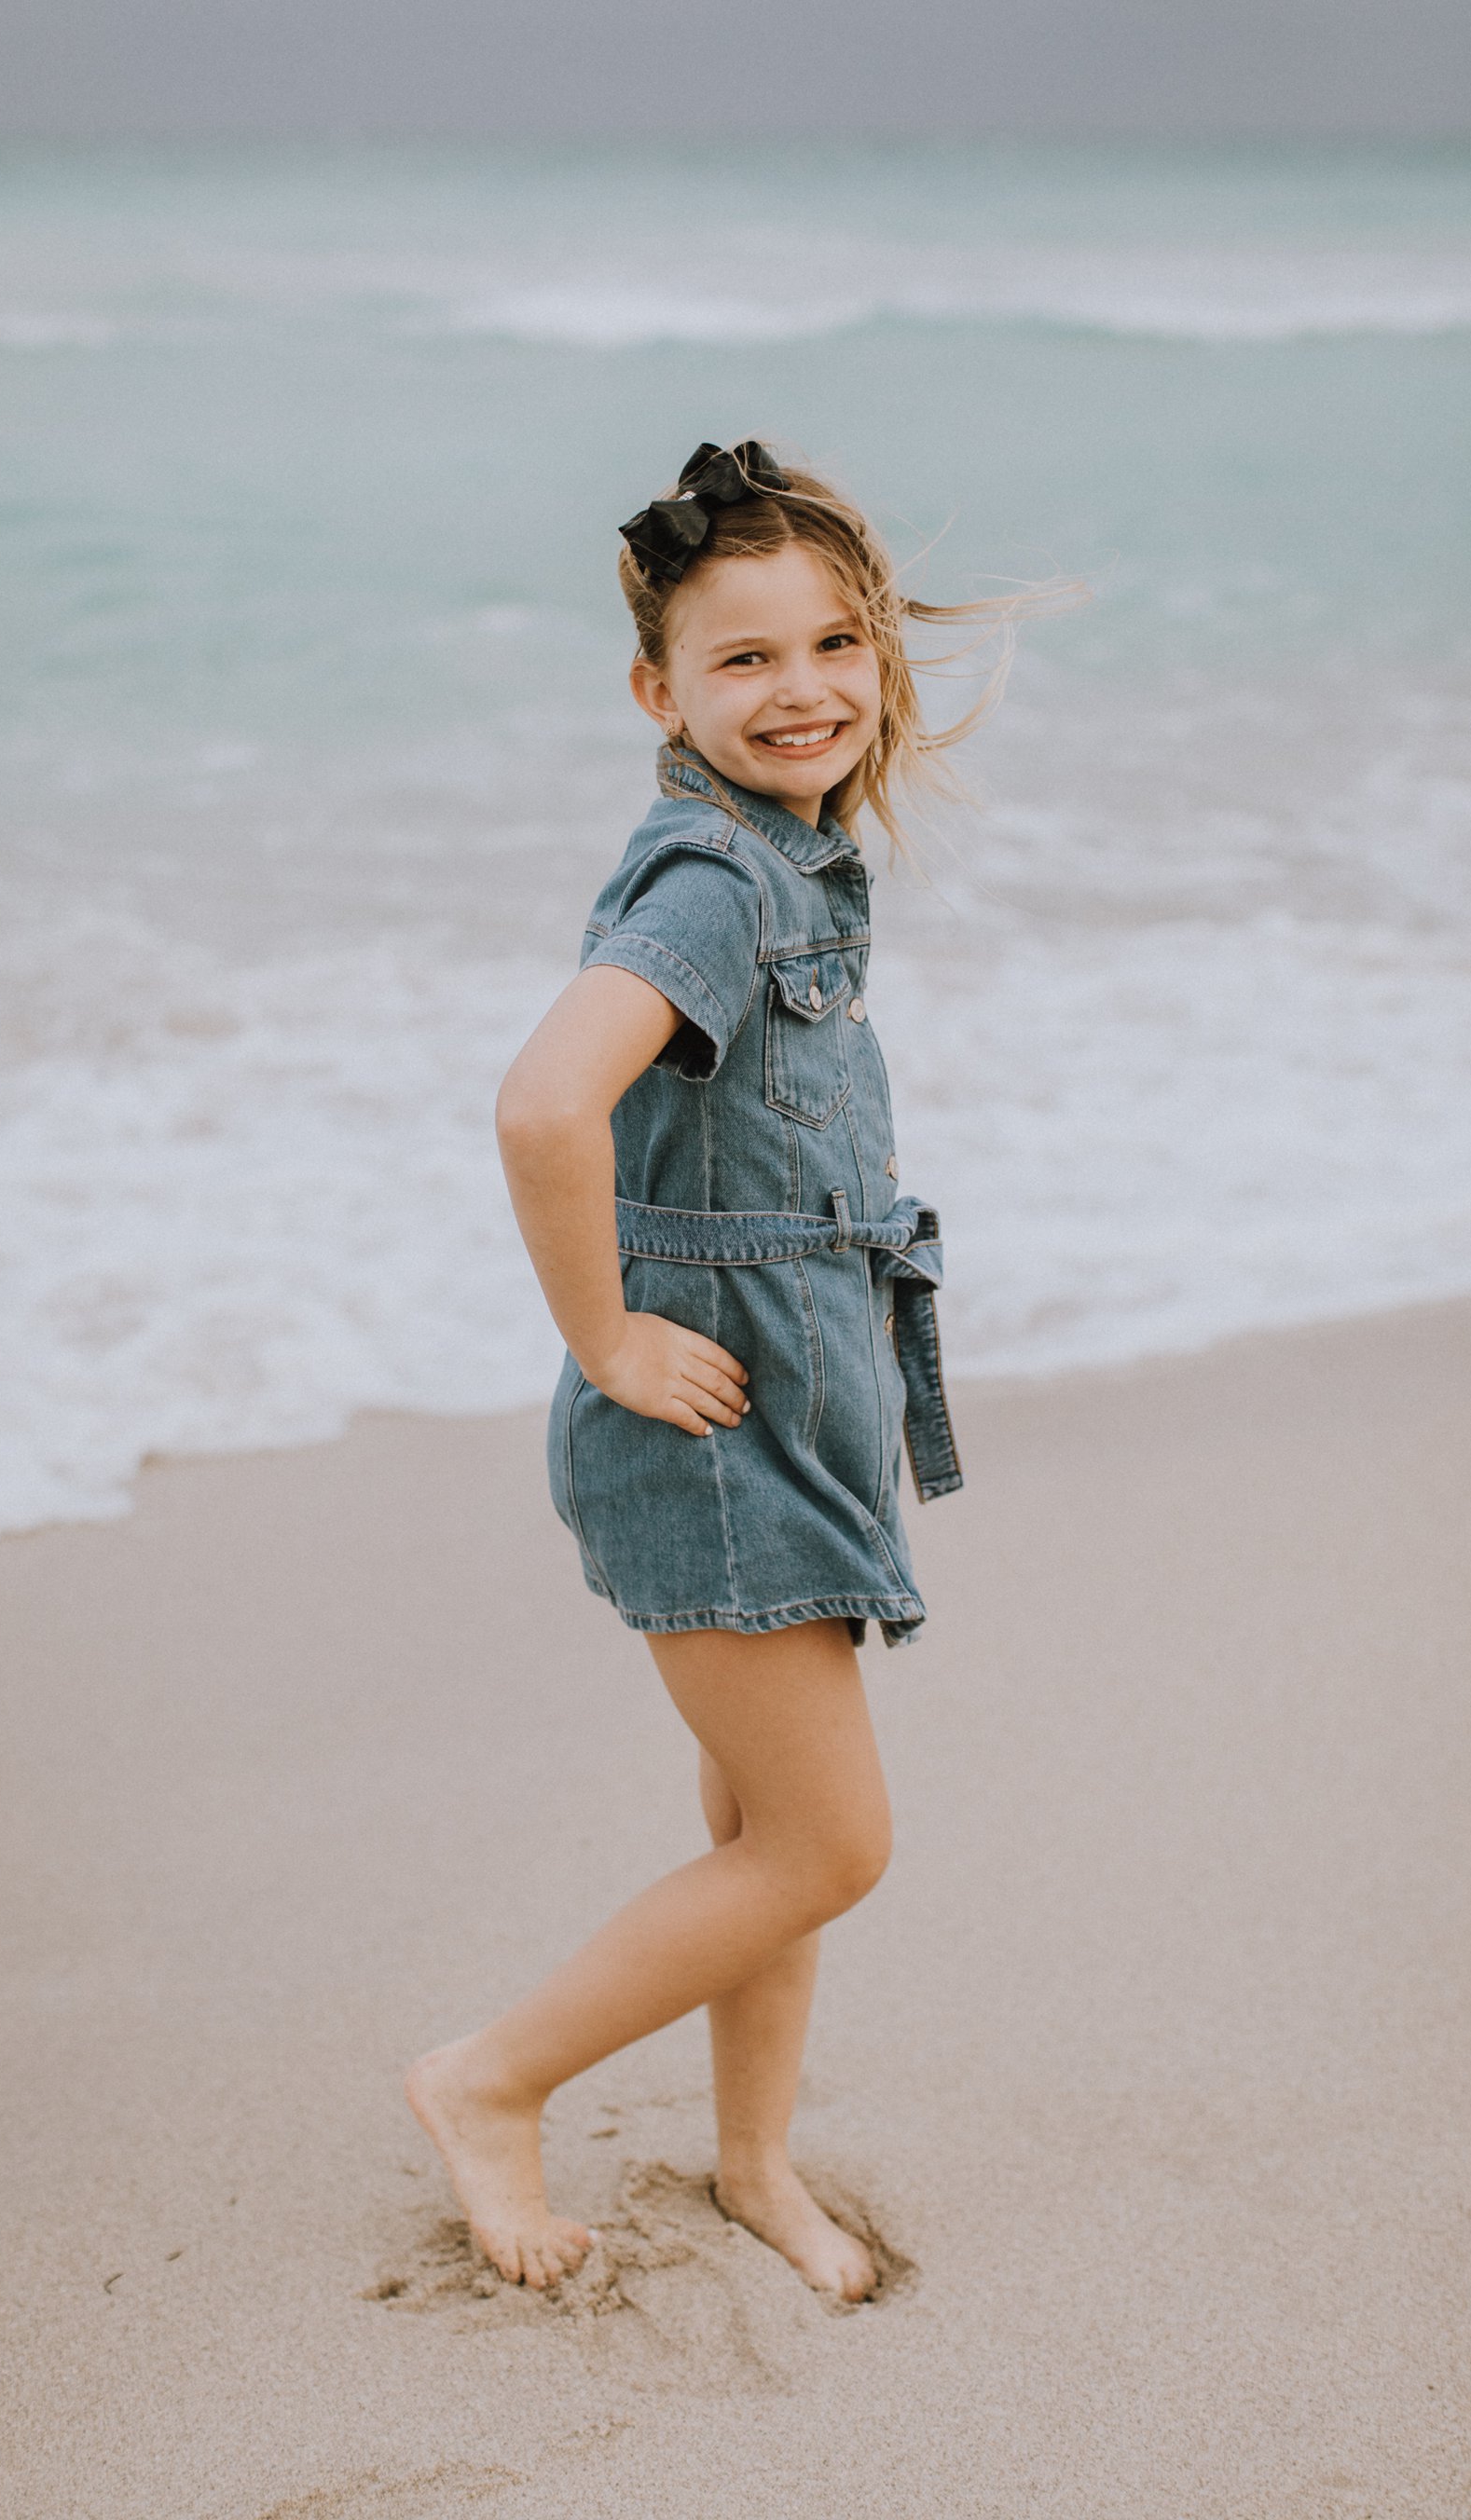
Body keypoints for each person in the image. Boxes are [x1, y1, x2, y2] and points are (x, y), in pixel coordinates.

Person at [408, 439, 1011, 2301]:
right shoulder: (716, 879)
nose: (801, 686)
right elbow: (543, 1105)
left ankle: (754, 2164)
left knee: (760, 1828)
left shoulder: (796, 858)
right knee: (832, 1845)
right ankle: (488, 2080)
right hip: (713, 1432)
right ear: (657, 691)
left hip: (796, 1407)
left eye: (833, 642)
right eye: (743, 658)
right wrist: (602, 1336)